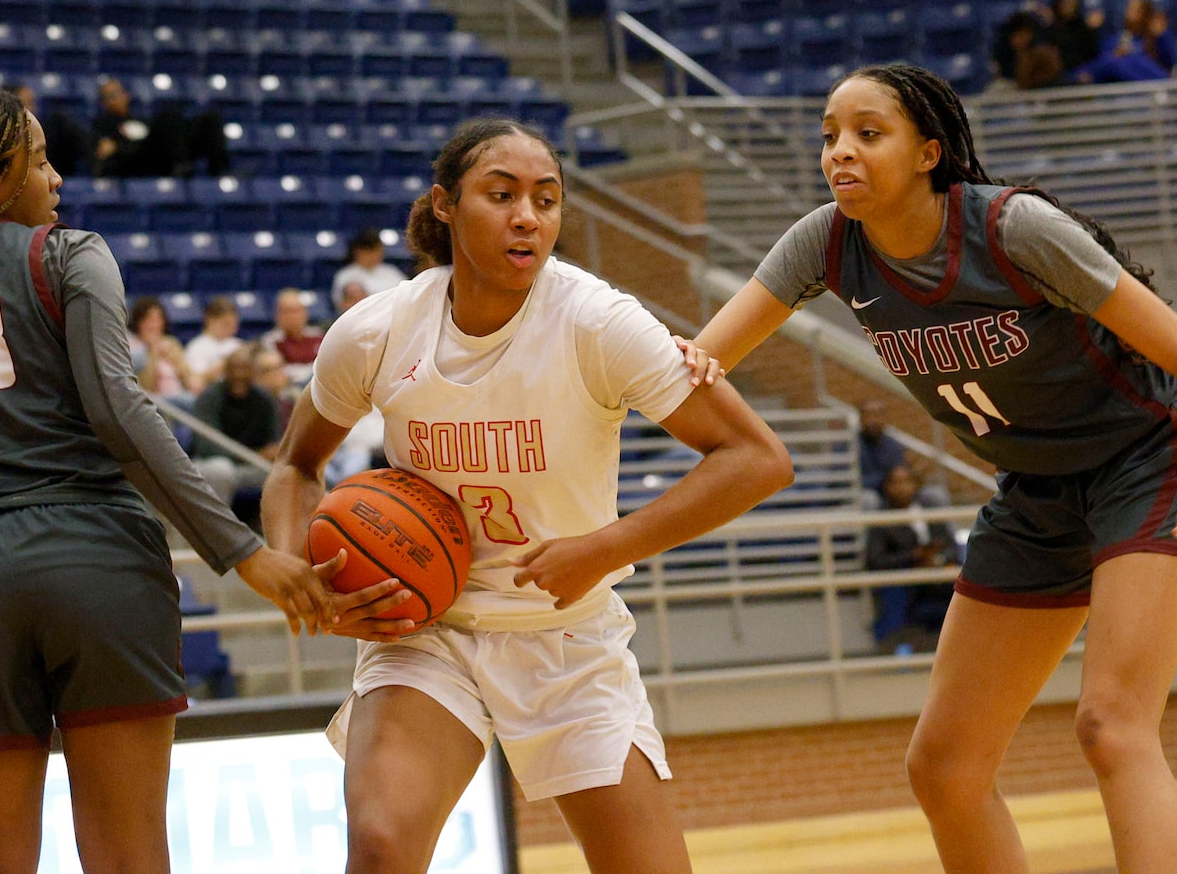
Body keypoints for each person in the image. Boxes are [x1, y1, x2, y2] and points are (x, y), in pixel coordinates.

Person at [0, 87, 395, 873]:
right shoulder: (66, 253)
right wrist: (242, 552)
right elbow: (120, 414)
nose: (56, 177)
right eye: (38, 159)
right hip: (100, 567)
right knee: (128, 860)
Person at [688, 63, 1177, 871]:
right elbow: (697, 362)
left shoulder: (1014, 231)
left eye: (868, 134)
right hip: (1033, 491)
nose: (840, 153)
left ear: (927, 152)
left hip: (1145, 460)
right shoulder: (825, 242)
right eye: (829, 136)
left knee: (1111, 725)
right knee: (943, 767)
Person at [260, 118, 794, 874]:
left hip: (565, 636)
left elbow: (756, 459)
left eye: (546, 200)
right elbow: (295, 465)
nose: (527, 217)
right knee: (380, 848)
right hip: (428, 629)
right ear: (444, 205)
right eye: (500, 194)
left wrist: (606, 547)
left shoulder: (598, 322)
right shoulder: (377, 331)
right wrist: (295, 572)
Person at [864, 464, 956, 653]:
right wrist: (913, 557)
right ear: (886, 487)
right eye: (895, 482)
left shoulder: (931, 511)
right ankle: (899, 648)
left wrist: (937, 560)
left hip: (937, 574)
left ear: (916, 485)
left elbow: (950, 546)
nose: (901, 487)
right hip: (906, 579)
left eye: (906, 481)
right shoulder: (881, 520)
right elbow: (875, 560)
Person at [189, 344, 282, 511]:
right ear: (225, 371)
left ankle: (273, 533)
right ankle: (216, 531)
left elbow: (273, 444)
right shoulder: (209, 397)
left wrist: (268, 454)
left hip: (251, 468)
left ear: (253, 372)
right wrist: (255, 455)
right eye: (234, 369)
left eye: (244, 369)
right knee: (221, 470)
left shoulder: (264, 399)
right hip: (210, 464)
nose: (239, 374)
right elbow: (207, 447)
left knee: (285, 473)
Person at [91, 77, 230, 178]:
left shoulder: (141, 119)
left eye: (120, 93)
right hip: (134, 161)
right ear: (103, 102)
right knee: (167, 116)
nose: (119, 98)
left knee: (210, 119)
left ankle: (219, 171)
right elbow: (105, 151)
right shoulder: (101, 125)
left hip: (158, 153)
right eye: (111, 95)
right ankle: (179, 165)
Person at [1076, 0, 1177, 83]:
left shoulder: (1155, 39)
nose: (1129, 13)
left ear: (1146, 14)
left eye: (1136, 10)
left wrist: (1161, 36)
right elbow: (1102, 65)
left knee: (1131, 58)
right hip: (1124, 96)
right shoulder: (1116, 40)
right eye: (1129, 8)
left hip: (1155, 92)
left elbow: (1170, 62)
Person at [3, 82, 91, 179]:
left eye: (33, 103)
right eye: (28, 103)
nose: (33, 108)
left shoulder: (52, 130)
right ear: (11, 107)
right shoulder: (4, 142)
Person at [128, 295, 201, 401]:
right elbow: (146, 387)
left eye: (158, 319)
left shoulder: (171, 343)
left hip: (180, 397)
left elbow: (192, 382)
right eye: (149, 319)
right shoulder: (134, 347)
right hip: (154, 401)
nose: (154, 324)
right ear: (139, 322)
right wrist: (153, 352)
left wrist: (175, 361)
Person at [330, 228, 407, 314]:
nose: (377, 255)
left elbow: (406, 296)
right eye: (372, 251)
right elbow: (342, 305)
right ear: (358, 251)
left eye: (379, 251)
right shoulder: (345, 275)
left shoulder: (392, 271)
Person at [259, 287, 323, 387]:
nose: (293, 316)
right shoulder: (271, 341)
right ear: (278, 315)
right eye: (288, 311)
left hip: (318, 387)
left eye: (297, 310)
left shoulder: (318, 335)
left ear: (305, 313)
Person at [183, 295, 244, 386]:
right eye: (226, 324)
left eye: (234, 325)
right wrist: (226, 364)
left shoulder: (238, 344)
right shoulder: (197, 346)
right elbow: (196, 378)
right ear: (210, 320)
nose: (233, 329)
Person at [1046, 0, 1104, 79]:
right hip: (1062, 74)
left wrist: (1092, 31)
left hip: (1085, 70)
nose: (1069, 6)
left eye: (1072, 3)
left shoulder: (1083, 27)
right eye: (1066, 3)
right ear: (1058, 4)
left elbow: (1093, 53)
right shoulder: (1051, 30)